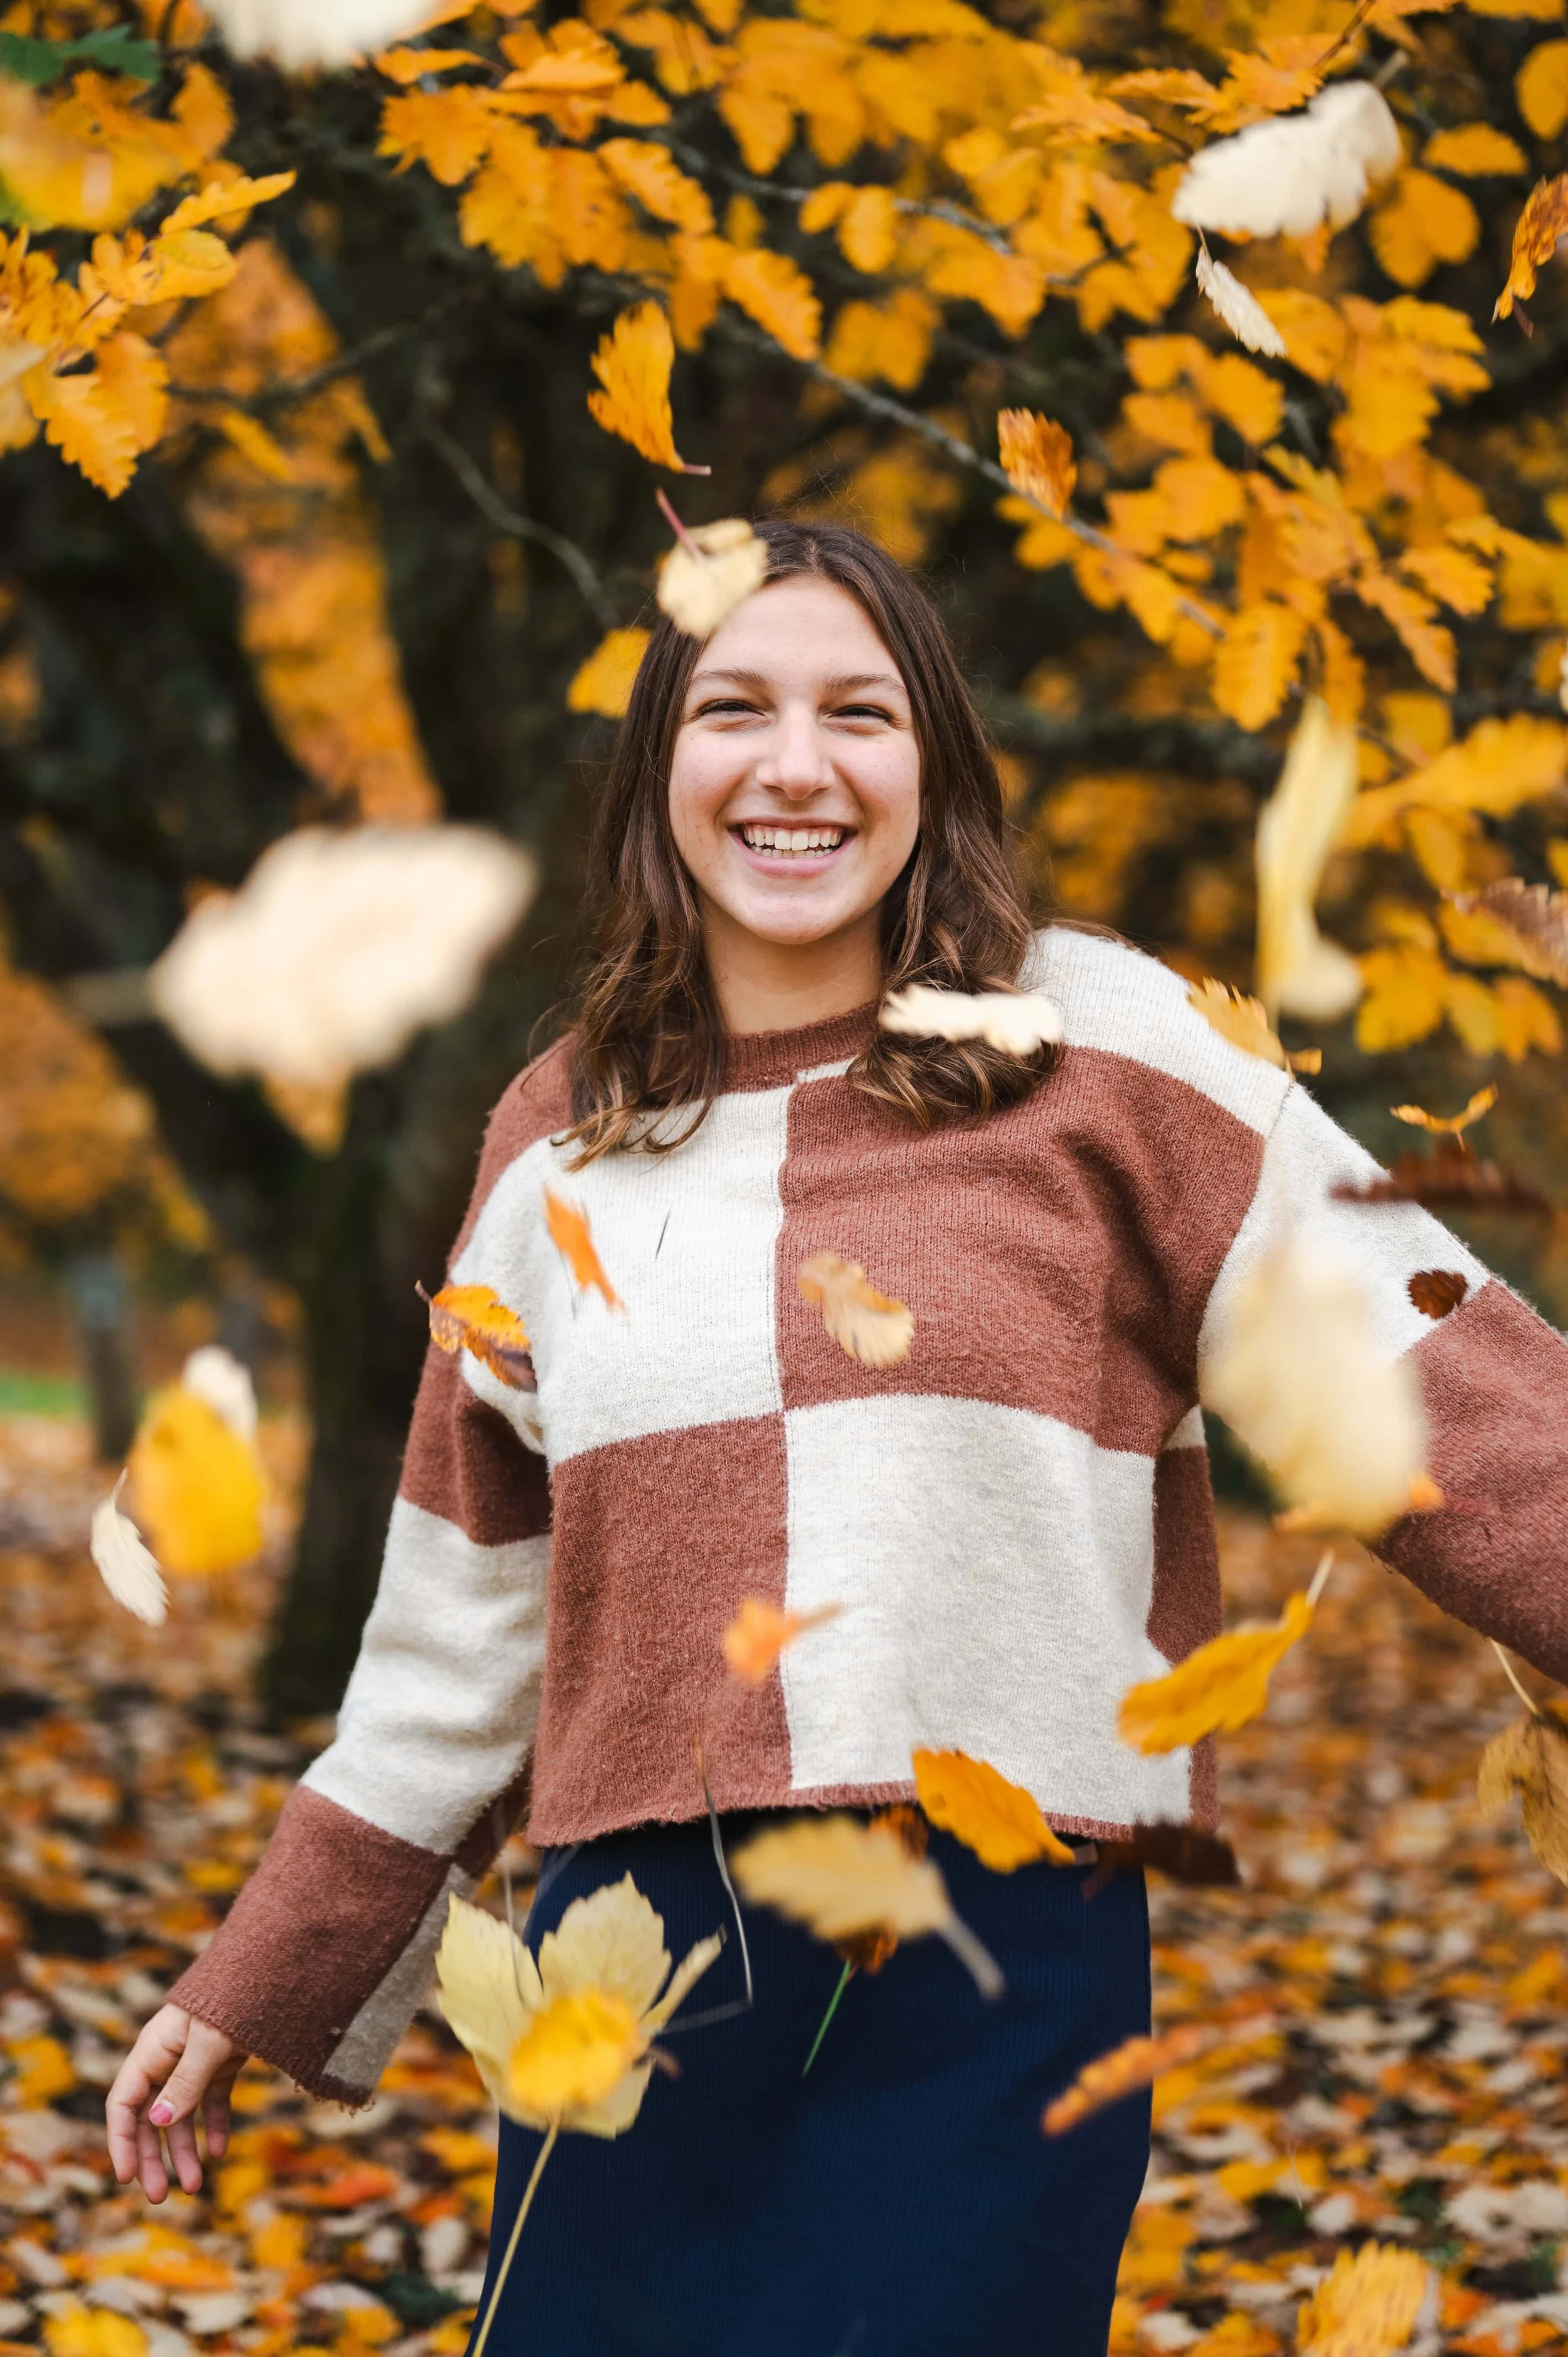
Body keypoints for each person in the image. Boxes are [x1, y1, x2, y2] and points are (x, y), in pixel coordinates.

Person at [107, 521, 1568, 2354]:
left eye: (858, 714)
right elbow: (460, 1639)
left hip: (995, 1960)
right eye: (734, 708)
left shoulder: (1110, 1049)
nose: (794, 765)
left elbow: (1441, 1386)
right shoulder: (557, 1138)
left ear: (933, 763)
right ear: (659, 768)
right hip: (627, 1970)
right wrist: (266, 1969)